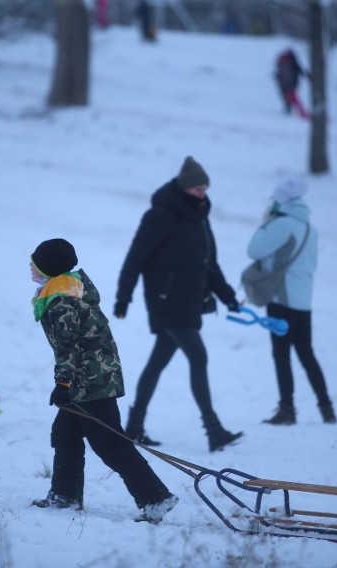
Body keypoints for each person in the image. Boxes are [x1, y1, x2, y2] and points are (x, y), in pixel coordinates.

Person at [28, 238, 178, 523]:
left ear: (49, 268)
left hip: (91, 383)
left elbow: (67, 345)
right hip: (93, 378)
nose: (30, 268)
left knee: (111, 444)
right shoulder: (69, 287)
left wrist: (63, 384)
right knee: (65, 435)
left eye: (35, 263)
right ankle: (65, 497)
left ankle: (156, 498)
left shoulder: (61, 298)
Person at [115, 156, 243, 452]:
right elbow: (136, 257)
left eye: (205, 188)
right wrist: (124, 296)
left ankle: (133, 428)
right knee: (198, 357)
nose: (203, 194)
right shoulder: (159, 216)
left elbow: (209, 264)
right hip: (166, 301)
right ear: (184, 188)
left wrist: (228, 297)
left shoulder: (199, 218)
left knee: (157, 362)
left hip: (190, 301)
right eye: (198, 189)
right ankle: (214, 430)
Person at [246, 178, 336, 426]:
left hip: (280, 299)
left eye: (273, 200)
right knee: (307, 354)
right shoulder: (310, 228)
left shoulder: (281, 224)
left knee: (282, 355)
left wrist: (265, 225)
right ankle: (327, 408)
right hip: (303, 301)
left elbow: (253, 250)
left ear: (280, 201)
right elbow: (313, 265)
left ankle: (287, 410)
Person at [274, 48, 309, 118]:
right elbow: (298, 70)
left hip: (283, 83)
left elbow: (280, 73)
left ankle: (289, 110)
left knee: (287, 97)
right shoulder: (292, 61)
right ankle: (301, 113)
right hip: (291, 83)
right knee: (293, 98)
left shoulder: (281, 62)